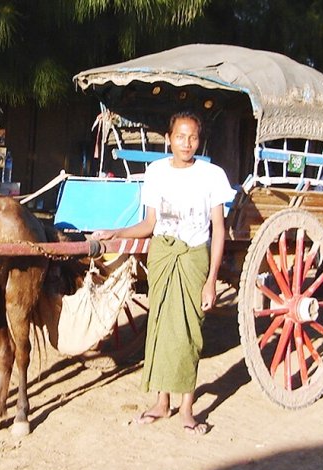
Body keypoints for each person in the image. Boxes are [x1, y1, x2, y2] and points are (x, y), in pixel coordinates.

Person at [92, 111, 235, 435]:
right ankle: (161, 402)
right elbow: (149, 224)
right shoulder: (156, 173)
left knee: (189, 333)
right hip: (162, 257)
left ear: (200, 140)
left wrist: (211, 280)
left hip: (193, 258)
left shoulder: (211, 175)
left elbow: (218, 230)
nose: (187, 143)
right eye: (180, 136)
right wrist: (115, 234)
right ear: (169, 139)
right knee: (158, 328)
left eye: (193, 137)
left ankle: (187, 408)